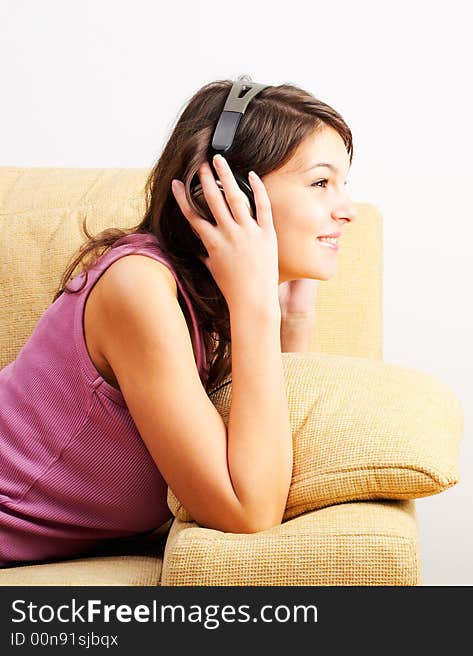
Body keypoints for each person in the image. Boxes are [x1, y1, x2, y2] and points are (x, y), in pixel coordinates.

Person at [0, 78, 358, 567]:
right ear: (223, 193)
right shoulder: (139, 289)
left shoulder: (216, 301)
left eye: (345, 185)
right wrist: (258, 309)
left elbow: (270, 459)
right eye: (321, 183)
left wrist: (292, 318)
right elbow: (247, 509)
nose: (348, 211)